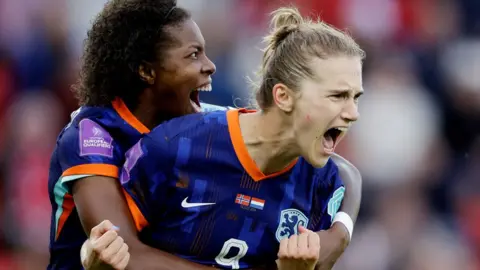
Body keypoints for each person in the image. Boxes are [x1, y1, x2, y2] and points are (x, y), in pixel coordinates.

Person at [47, 0, 360, 269]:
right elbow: (124, 252)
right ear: (147, 71)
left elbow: (346, 173)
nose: (210, 66)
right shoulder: (92, 134)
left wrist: (340, 232)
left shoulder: (199, 127)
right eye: (193, 54)